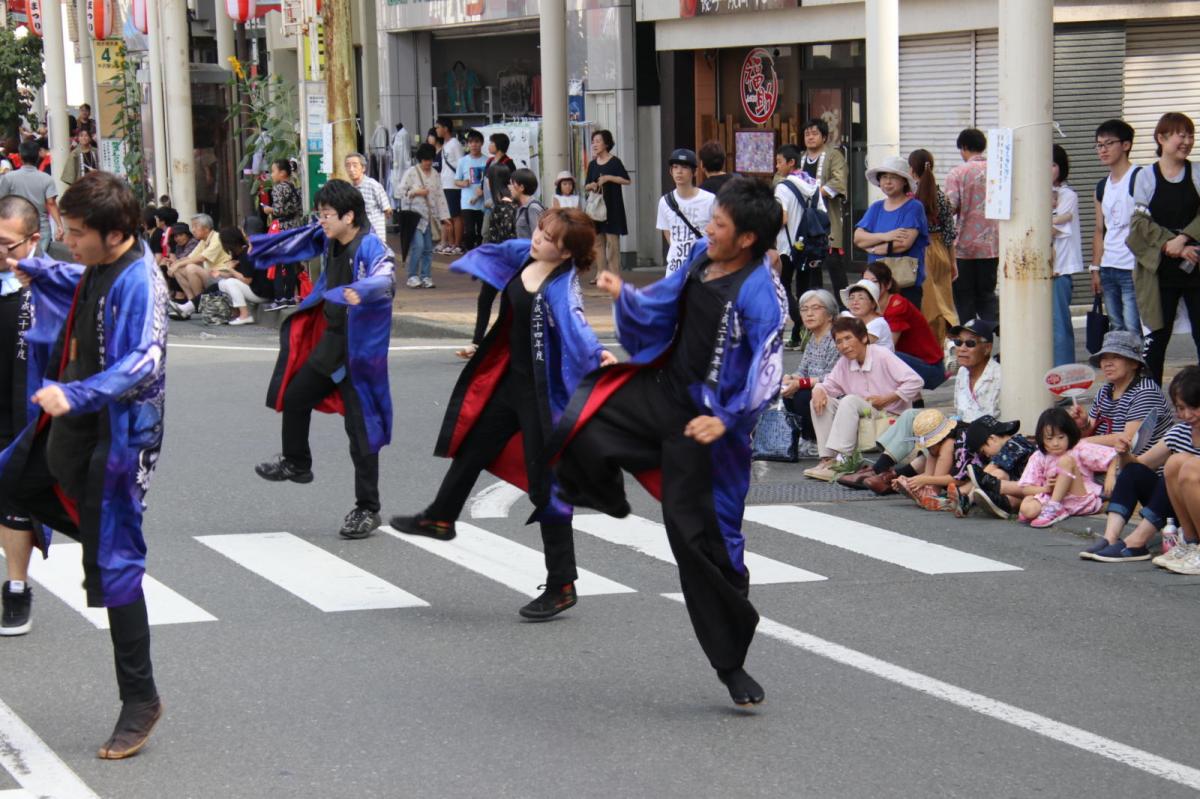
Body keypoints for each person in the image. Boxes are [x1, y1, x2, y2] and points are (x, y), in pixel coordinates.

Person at [548, 177, 784, 707]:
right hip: (663, 387)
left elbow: (766, 372)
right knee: (584, 415)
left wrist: (726, 418)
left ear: (747, 238)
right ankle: (603, 493)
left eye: (720, 224)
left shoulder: (759, 293)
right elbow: (667, 294)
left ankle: (730, 661)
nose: (709, 228)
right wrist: (626, 296)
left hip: (705, 419)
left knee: (699, 540)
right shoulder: (703, 254)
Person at [0, 171, 167, 758]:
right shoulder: (100, 262)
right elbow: (77, 279)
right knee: (12, 478)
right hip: (76, 420)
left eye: (74, 233)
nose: (66, 241)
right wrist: (39, 269)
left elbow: (145, 360)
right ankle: (102, 534)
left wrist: (75, 394)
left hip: (118, 434)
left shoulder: (142, 280)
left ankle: (140, 701)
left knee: (116, 566)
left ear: (114, 232)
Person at [390, 209, 614, 619]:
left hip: (543, 396)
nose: (538, 238)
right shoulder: (524, 257)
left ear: (566, 253)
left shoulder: (561, 289)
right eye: (541, 230)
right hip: (509, 383)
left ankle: (562, 584)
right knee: (471, 449)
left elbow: (577, 329)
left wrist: (597, 354)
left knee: (546, 487)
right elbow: (500, 268)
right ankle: (440, 518)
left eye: (549, 237)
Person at [250, 179, 396, 540]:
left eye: (328, 214)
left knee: (361, 435)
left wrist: (361, 290)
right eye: (321, 214)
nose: (323, 221)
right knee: (297, 396)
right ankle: (297, 463)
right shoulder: (332, 238)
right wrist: (255, 249)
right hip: (331, 343)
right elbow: (299, 238)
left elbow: (386, 277)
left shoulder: (370, 246)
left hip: (359, 354)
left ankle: (368, 508)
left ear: (349, 216)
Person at [0, 195, 78, 637]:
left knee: (14, 495)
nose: (0, 252)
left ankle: (16, 587)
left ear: (33, 239)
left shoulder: (52, 283)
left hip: (23, 405)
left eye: (7, 244)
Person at [842, 318, 1000, 494]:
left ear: (987, 348)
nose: (961, 348)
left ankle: (897, 476)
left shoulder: (999, 375)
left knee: (939, 435)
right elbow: (959, 411)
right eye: (958, 342)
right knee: (913, 416)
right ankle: (882, 470)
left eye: (970, 343)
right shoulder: (963, 372)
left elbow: (995, 422)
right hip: (963, 428)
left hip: (984, 437)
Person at [1082, 366, 1198, 563]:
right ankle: (1110, 537)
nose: (1186, 415)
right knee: (1137, 470)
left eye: (1193, 407)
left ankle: (1138, 540)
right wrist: (1124, 454)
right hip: (1179, 513)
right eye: (1180, 408)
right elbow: (1140, 465)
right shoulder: (1180, 432)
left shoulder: (1145, 392)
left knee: (1179, 466)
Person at [1128, 112, 1200, 384]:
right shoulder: (1146, 176)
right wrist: (1175, 246)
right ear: (1162, 138)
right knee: (1157, 340)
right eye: (1181, 135)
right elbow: (1138, 225)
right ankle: (1151, 403)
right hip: (1158, 271)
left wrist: (1183, 239)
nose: (1187, 141)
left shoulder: (1197, 172)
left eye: (1190, 135)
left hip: (1196, 267)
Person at [806, 316, 923, 481]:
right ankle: (828, 460)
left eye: (848, 338)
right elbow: (829, 385)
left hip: (891, 416)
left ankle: (844, 461)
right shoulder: (844, 363)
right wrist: (818, 389)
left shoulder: (881, 354)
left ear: (863, 338)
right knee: (820, 401)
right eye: (839, 341)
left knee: (850, 400)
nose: (844, 345)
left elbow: (916, 381)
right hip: (866, 412)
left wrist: (886, 399)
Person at [1068, 331, 1174, 454]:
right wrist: (1083, 424)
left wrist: (1077, 444)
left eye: (1116, 357)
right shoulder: (1104, 391)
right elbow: (1089, 432)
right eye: (1104, 358)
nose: (1108, 363)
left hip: (1141, 465)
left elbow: (1128, 439)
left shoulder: (1145, 392)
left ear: (1134, 363)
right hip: (1105, 461)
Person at [1016, 408, 1118, 529]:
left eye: (1061, 437)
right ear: (1041, 438)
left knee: (1066, 460)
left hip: (1078, 499)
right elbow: (1025, 488)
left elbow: (1113, 456)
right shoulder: (1038, 456)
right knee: (1027, 509)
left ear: (1069, 434)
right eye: (1049, 438)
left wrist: (1111, 476)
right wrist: (1046, 488)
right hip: (1049, 498)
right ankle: (1054, 509)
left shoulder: (1078, 448)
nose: (1055, 443)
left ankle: (1054, 508)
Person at [853, 155, 929, 307]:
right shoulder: (876, 207)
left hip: (904, 282)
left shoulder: (914, 207)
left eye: (893, 177)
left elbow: (903, 243)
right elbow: (858, 238)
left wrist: (872, 246)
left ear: (904, 181)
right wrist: (885, 236)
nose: (887, 182)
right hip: (876, 282)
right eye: (884, 177)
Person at [457, 163, 516, 360]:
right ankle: (482, 343)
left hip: (500, 264)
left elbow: (501, 238)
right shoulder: (509, 203)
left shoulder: (503, 206)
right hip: (504, 263)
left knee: (489, 302)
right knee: (497, 302)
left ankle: (480, 343)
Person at [1090, 119, 1142, 335]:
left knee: (1134, 327)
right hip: (1109, 266)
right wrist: (1095, 268)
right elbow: (1100, 230)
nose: (1103, 150)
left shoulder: (1140, 177)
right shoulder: (1102, 186)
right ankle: (1123, 369)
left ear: (1126, 145)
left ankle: (1140, 369)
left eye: (1109, 143)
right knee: (1116, 329)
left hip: (1133, 267)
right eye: (1099, 145)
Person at [773, 144, 829, 340]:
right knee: (804, 288)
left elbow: (783, 218)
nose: (777, 166)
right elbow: (822, 214)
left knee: (783, 285)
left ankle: (801, 322)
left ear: (791, 163)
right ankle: (799, 335)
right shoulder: (813, 185)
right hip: (809, 245)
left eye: (779, 162)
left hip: (787, 247)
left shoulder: (782, 186)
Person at [864, 261, 945, 389]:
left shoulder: (897, 305)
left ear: (888, 284)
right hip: (907, 364)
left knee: (882, 356)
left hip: (929, 369)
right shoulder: (868, 306)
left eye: (873, 281)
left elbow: (888, 347)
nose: (868, 286)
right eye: (865, 281)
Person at [945, 128, 999, 324]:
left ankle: (969, 337)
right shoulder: (998, 171)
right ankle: (990, 338)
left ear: (964, 147)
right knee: (987, 295)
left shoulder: (957, 173)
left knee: (964, 296)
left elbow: (949, 207)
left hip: (964, 248)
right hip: (992, 246)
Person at [780, 289, 839, 458]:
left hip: (836, 391)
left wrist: (801, 383)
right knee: (788, 390)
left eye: (815, 308)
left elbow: (831, 377)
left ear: (830, 314)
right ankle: (804, 436)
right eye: (804, 309)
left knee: (803, 395)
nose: (809, 314)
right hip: (815, 386)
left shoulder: (835, 338)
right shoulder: (813, 337)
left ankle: (814, 440)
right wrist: (791, 377)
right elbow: (803, 370)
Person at [909, 149, 959, 342]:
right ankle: (948, 343)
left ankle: (933, 346)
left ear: (912, 171)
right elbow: (949, 233)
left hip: (920, 250)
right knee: (945, 303)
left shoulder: (910, 198)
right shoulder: (942, 197)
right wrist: (953, 261)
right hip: (941, 250)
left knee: (928, 305)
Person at [800, 118, 850, 303]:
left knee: (834, 263)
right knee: (811, 266)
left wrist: (814, 193)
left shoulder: (833, 156)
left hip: (827, 218)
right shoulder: (800, 158)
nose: (810, 137)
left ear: (824, 137)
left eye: (814, 134)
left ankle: (845, 308)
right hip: (805, 220)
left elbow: (838, 181)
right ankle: (815, 307)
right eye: (807, 134)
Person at [960, 416, 1038, 520]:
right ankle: (1003, 505)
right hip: (1025, 489)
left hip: (1037, 487)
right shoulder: (1010, 447)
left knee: (995, 475)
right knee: (1000, 477)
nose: (987, 456)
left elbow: (988, 471)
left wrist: (965, 494)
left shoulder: (1014, 443)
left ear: (992, 439)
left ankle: (970, 500)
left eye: (983, 451)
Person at [398, 142, 451, 290]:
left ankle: (426, 276)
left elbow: (440, 196)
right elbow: (400, 192)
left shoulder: (435, 174)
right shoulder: (411, 172)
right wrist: (415, 192)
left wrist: (444, 216)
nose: (427, 162)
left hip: (429, 217)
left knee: (428, 248)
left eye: (430, 159)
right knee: (419, 246)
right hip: (414, 217)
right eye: (425, 159)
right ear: (420, 159)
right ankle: (412, 275)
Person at [656, 148, 716, 275]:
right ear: (670, 171)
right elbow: (667, 231)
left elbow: (717, 230)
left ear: (694, 172)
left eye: (684, 167)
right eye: (675, 167)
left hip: (701, 267)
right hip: (674, 269)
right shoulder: (665, 202)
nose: (679, 171)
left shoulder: (709, 200)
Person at [1051, 144, 1084, 366]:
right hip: (1041, 270)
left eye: (1052, 164)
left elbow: (1054, 227)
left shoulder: (1067, 194)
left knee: (1059, 325)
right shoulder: (1035, 193)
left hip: (1060, 269)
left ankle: (1065, 381)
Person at [584, 129, 631, 281]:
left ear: (606, 143)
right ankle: (600, 273)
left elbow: (627, 180)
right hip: (596, 208)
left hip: (613, 207)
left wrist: (609, 178)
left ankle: (615, 276)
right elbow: (585, 186)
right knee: (598, 242)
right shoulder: (592, 164)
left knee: (612, 243)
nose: (594, 144)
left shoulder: (615, 162)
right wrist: (591, 185)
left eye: (598, 141)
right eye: (593, 142)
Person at [0, 140, 63, 252]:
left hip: (16, 225)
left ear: (20, 157)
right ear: (38, 156)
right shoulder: (46, 179)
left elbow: (2, 201)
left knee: (18, 262)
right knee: (38, 262)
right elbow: (51, 203)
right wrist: (59, 225)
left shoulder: (9, 178)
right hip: (41, 226)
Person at [260, 159, 305, 311]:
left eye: (273, 171)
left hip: (282, 229)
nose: (271, 175)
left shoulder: (279, 188)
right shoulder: (294, 187)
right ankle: (290, 297)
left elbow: (279, 210)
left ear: (282, 173)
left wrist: (268, 209)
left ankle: (280, 298)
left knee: (278, 264)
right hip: (294, 228)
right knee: (290, 264)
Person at [166, 213, 228, 319]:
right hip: (211, 275)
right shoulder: (203, 241)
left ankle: (197, 304)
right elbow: (189, 257)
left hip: (222, 276)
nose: (193, 230)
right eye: (192, 226)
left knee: (191, 268)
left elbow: (201, 258)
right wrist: (174, 265)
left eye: (195, 226)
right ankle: (191, 304)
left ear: (206, 228)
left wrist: (178, 264)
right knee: (179, 269)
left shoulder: (217, 238)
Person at [216, 227, 272, 326]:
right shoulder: (238, 254)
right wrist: (220, 273)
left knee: (230, 282)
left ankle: (245, 315)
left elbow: (247, 280)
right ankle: (236, 312)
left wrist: (230, 269)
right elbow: (236, 275)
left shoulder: (246, 254)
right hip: (253, 289)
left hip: (261, 293)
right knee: (222, 283)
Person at [345, 152, 393, 243]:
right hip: (358, 236)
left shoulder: (373, 185)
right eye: (348, 166)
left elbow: (388, 210)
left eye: (355, 165)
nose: (351, 169)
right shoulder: (349, 189)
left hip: (375, 237)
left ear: (363, 168)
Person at [455, 130, 489, 252]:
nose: (473, 145)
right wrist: (463, 183)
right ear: (467, 144)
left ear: (482, 143)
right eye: (470, 142)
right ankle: (469, 252)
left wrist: (484, 190)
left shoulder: (487, 161)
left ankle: (479, 253)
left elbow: (490, 181)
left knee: (481, 231)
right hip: (467, 202)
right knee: (469, 231)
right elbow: (456, 181)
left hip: (483, 202)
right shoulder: (462, 161)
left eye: (476, 142)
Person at [435, 117, 464, 256]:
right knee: (449, 216)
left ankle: (457, 244)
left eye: (438, 127)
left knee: (456, 215)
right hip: (445, 184)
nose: (437, 130)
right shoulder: (446, 144)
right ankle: (452, 243)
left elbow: (461, 163)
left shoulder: (454, 144)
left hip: (454, 184)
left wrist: (459, 180)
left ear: (445, 128)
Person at [839, 278, 892, 350]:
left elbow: (857, 346)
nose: (855, 302)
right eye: (851, 298)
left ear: (873, 304)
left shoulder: (878, 323)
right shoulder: (851, 318)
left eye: (861, 298)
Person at [511, 168, 545, 241]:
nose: (510, 188)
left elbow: (538, 238)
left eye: (512, 184)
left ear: (521, 187)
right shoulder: (521, 207)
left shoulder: (533, 208)